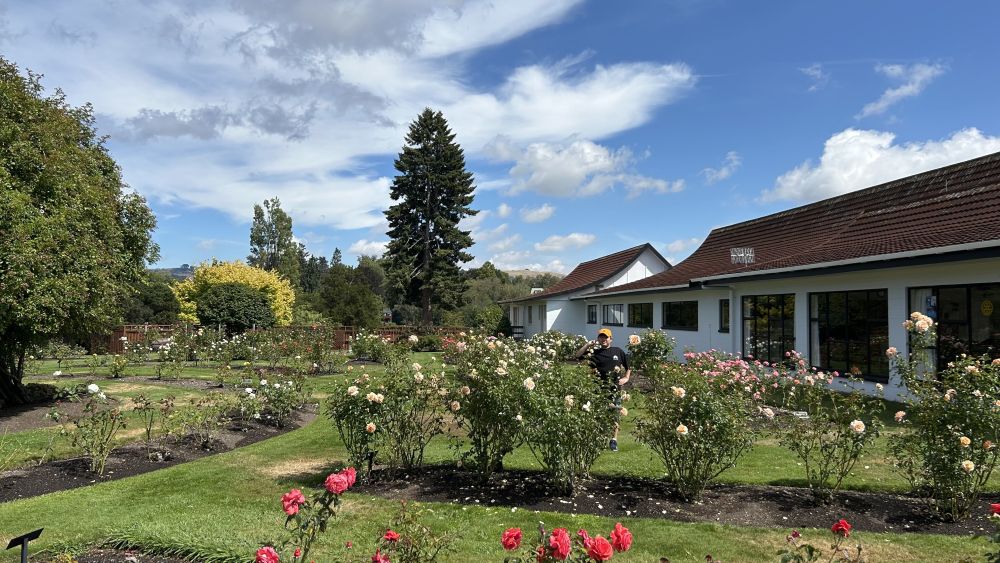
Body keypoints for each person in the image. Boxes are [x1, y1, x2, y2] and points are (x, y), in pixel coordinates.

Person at [575, 327, 630, 451]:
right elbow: (577, 356)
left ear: (611, 339)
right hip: (598, 389)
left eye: (606, 337)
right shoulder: (594, 352)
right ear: (598, 339)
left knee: (615, 414)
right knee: (598, 414)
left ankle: (613, 440)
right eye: (601, 337)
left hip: (615, 388)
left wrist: (626, 378)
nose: (603, 339)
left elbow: (628, 366)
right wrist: (587, 345)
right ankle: (599, 439)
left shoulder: (617, 351)